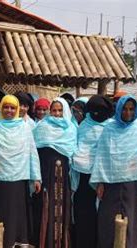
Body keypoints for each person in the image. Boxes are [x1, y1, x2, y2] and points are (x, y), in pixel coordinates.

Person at [0, 95, 42, 248]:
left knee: (14, 214)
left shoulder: (24, 127)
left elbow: (32, 153)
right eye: (6, 107)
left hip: (18, 180)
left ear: (17, 109)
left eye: (12, 107)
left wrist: (36, 177)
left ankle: (14, 241)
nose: (9, 110)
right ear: (1, 108)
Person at [90, 95, 137, 248]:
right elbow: (102, 157)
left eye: (131, 109)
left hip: (132, 186)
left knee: (131, 222)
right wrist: (100, 182)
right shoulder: (109, 130)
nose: (128, 113)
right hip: (110, 185)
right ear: (118, 110)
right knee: (108, 223)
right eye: (124, 109)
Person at [32, 97, 77, 248]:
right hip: (46, 176)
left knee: (62, 209)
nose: (57, 114)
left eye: (60, 110)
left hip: (64, 178)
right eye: (54, 110)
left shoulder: (71, 129)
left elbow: (73, 155)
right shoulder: (41, 127)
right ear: (49, 111)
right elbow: (34, 153)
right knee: (46, 208)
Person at [71, 95, 114, 248]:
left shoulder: (111, 127)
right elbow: (77, 148)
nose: (97, 114)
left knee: (102, 217)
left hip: (104, 178)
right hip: (83, 177)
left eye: (101, 111)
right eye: (94, 110)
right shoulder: (83, 126)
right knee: (84, 216)